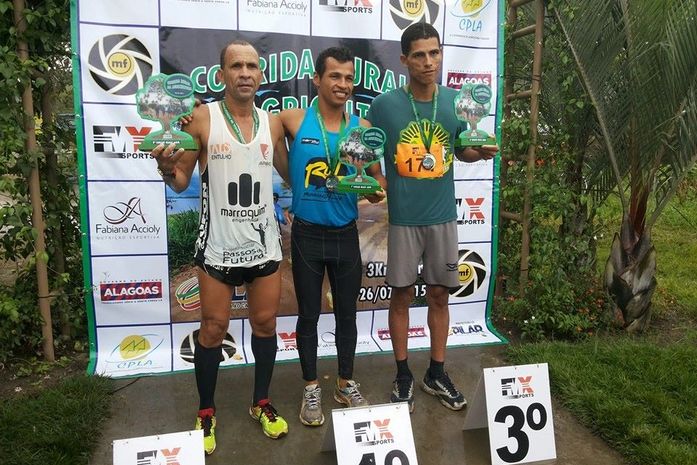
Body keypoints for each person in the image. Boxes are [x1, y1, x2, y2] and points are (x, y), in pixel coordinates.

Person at [151, 40, 291, 455]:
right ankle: (206, 411)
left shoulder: (273, 123)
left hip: (263, 247)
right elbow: (180, 181)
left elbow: (292, 173)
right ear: (222, 74)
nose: (245, 73)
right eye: (236, 66)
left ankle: (261, 402)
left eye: (251, 66)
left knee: (265, 325)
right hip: (218, 248)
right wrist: (165, 167)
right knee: (213, 329)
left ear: (260, 74)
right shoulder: (201, 118)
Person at [366, 23, 498, 413]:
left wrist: (479, 151)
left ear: (441, 54)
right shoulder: (384, 105)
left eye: (434, 53)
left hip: (442, 218)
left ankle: (436, 372)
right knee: (402, 295)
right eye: (419, 55)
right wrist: (374, 177)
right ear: (404, 59)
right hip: (404, 220)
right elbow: (366, 146)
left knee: (440, 295)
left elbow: (462, 150)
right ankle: (403, 374)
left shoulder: (457, 102)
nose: (428, 62)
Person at [278, 46, 386, 426]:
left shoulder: (363, 129)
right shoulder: (291, 119)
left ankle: (345, 383)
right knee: (308, 315)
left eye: (348, 78)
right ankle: (311, 387)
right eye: (335, 76)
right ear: (317, 79)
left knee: (347, 315)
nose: (343, 84)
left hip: (345, 235)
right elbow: (254, 131)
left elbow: (377, 182)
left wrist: (372, 189)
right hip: (307, 235)